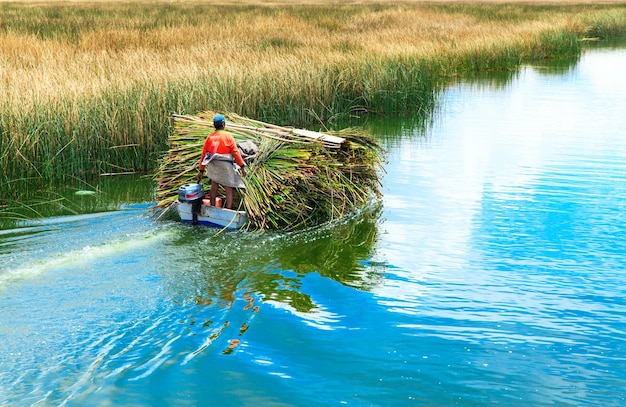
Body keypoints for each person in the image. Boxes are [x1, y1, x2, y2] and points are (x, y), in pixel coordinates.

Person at [196, 114, 247, 209]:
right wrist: (242, 167)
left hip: (213, 165)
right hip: (225, 165)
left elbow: (204, 155)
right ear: (223, 124)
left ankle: (212, 207)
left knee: (214, 186)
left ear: (214, 125)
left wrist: (201, 170)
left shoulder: (210, 137)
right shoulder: (228, 136)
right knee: (228, 188)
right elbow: (235, 152)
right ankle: (228, 209)